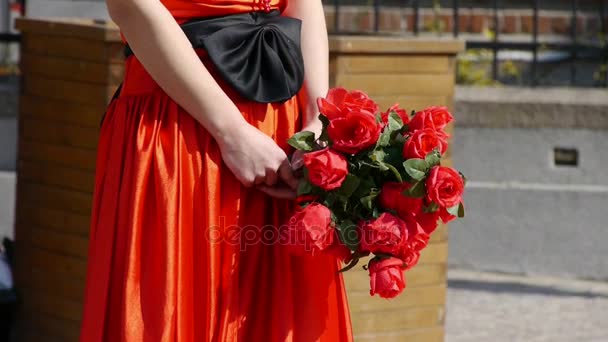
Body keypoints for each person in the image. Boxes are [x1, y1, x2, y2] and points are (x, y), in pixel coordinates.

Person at [79, 0, 353, 341]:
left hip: (283, 127)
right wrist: (231, 132)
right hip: (182, 125)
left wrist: (317, 118)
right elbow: (131, 6)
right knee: (174, 301)